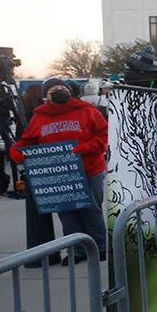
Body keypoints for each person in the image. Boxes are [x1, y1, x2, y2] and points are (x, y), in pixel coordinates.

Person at [10, 77, 108, 264]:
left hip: (89, 169)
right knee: (67, 213)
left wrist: (87, 148)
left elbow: (103, 134)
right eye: (53, 88)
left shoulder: (87, 111)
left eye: (61, 86)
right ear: (46, 95)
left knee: (91, 210)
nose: (58, 89)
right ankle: (77, 251)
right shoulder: (40, 116)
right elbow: (28, 140)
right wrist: (17, 151)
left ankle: (99, 246)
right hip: (60, 175)